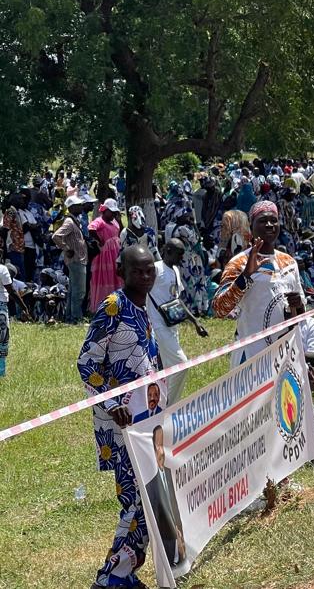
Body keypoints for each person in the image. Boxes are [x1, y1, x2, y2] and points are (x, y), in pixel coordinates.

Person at [77, 245, 160, 589]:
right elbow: (87, 362)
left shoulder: (142, 307)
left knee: (146, 497)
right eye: (137, 270)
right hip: (121, 424)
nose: (145, 276)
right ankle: (109, 577)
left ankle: (125, 572)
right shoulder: (114, 306)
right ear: (121, 271)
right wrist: (112, 404)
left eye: (149, 270)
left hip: (146, 420)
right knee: (134, 499)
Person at [213, 201, 307, 368]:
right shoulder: (239, 262)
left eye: (274, 220)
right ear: (251, 226)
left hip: (283, 356)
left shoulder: (288, 262)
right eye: (263, 220)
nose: (269, 224)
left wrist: (298, 305)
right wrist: (246, 276)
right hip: (251, 358)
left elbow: (300, 313)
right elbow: (220, 308)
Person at [147, 239, 192, 400]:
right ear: (167, 250)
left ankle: (163, 403)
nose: (181, 258)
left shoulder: (176, 270)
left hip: (172, 326)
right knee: (182, 365)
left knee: (167, 370)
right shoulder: (156, 269)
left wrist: (195, 322)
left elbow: (178, 300)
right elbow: (141, 292)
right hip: (158, 327)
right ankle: (170, 405)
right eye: (179, 254)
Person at [144, 425, 188, 571]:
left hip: (179, 540)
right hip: (169, 543)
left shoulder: (169, 473)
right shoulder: (150, 484)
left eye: (162, 446)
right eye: (157, 447)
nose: (162, 451)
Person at [52, 194, 91, 323]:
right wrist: (66, 248)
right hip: (76, 260)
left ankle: (69, 316)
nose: (81, 207)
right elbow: (56, 236)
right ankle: (76, 318)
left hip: (78, 259)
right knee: (79, 291)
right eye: (78, 205)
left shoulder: (74, 221)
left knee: (73, 290)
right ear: (72, 207)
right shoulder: (69, 222)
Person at [88, 198, 124, 310]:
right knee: (106, 277)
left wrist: (119, 219)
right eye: (111, 212)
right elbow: (91, 229)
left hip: (115, 252)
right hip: (105, 254)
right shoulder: (100, 221)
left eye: (115, 212)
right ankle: (103, 304)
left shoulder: (114, 221)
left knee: (115, 275)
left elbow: (121, 231)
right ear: (105, 210)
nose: (113, 214)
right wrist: (100, 240)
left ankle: (116, 302)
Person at [0, 262, 13, 376]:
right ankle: (1, 371)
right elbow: (11, 290)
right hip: (1, 306)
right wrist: (24, 307)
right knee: (2, 340)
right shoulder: (2, 269)